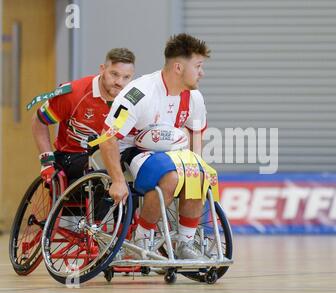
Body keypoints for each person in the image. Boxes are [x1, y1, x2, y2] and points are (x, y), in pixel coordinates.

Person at [99, 33, 214, 259]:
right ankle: (142, 239)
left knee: (198, 174)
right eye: (198, 66)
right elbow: (108, 138)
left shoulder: (194, 97)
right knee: (170, 177)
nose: (202, 73)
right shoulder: (139, 93)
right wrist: (118, 181)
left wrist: (196, 166)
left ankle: (185, 244)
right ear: (179, 68)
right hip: (131, 148)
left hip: (165, 151)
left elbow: (196, 133)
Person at [32, 48, 135, 184]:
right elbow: (39, 121)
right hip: (74, 155)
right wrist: (46, 161)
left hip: (113, 154)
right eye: (114, 74)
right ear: (102, 69)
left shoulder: (133, 99)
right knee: (103, 171)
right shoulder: (74, 93)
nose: (119, 82)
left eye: (126, 77)